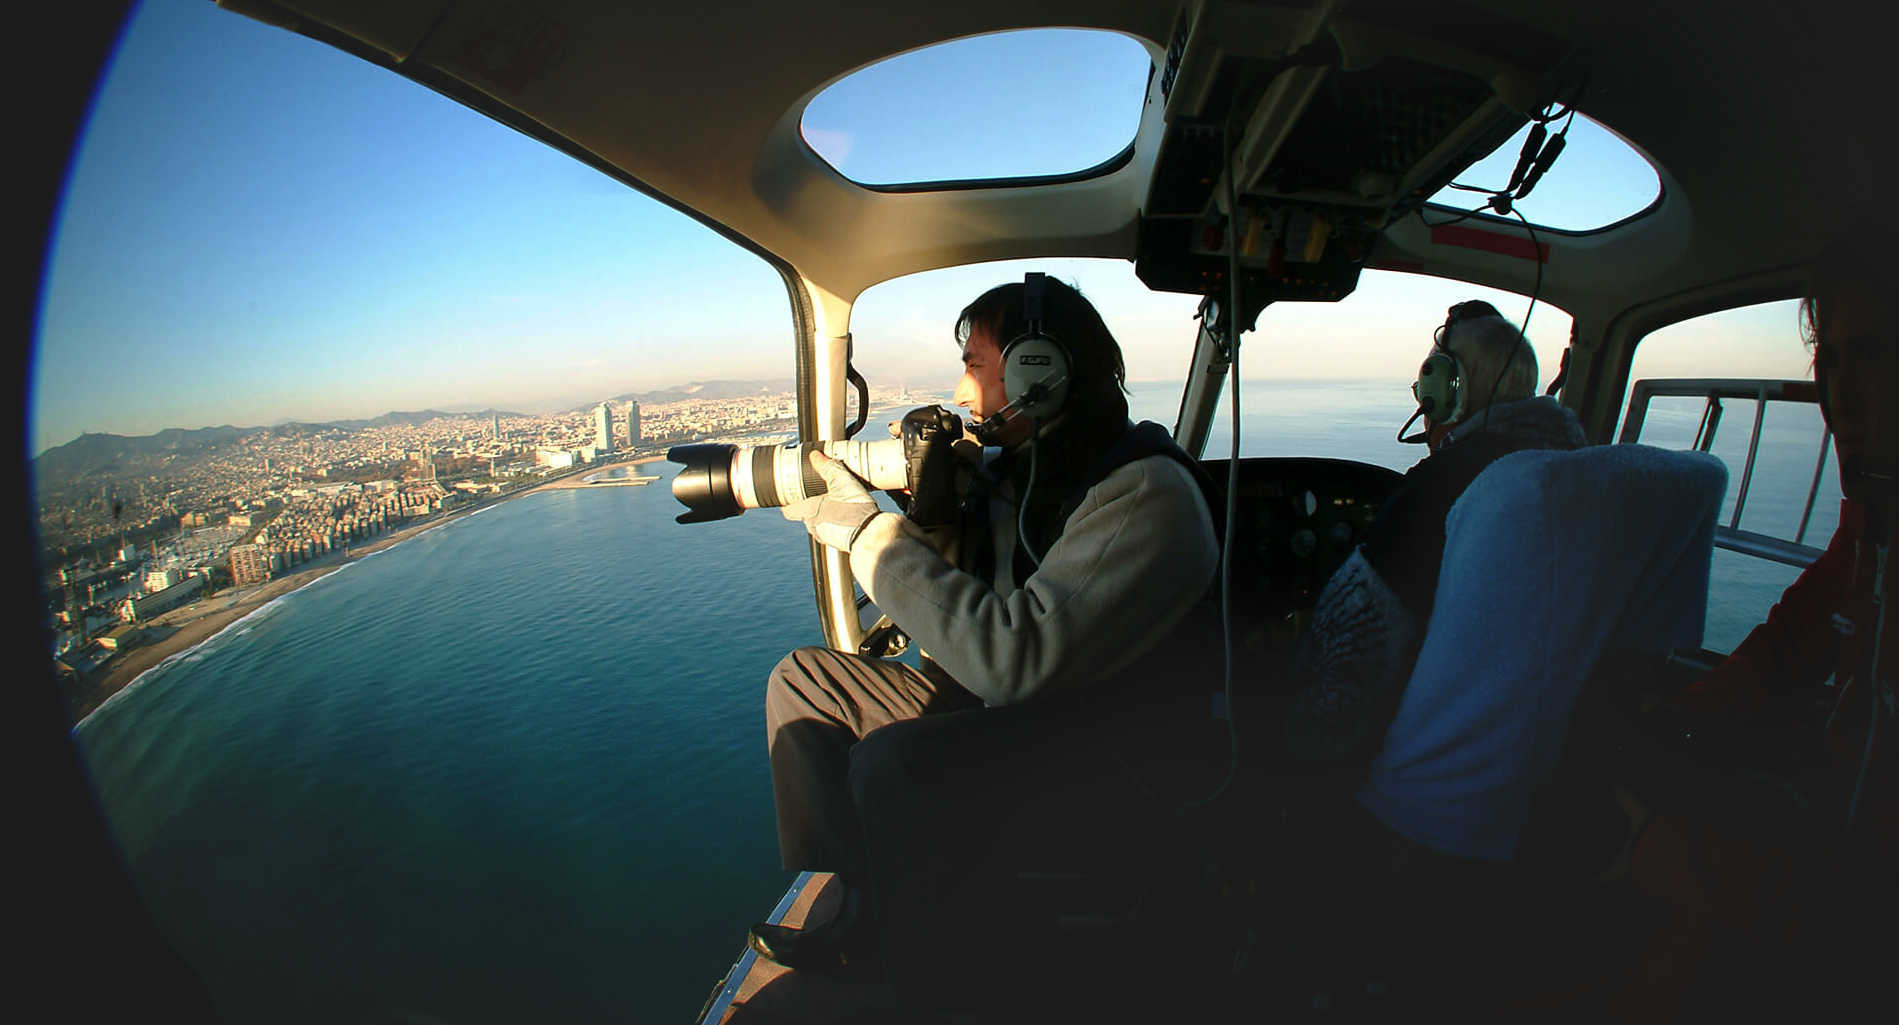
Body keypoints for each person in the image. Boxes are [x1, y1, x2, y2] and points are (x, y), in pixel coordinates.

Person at [748, 276, 1220, 971]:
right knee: (806, 682)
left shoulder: (1141, 493)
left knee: (896, 761)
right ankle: (863, 897)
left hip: (1111, 747)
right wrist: (936, 514)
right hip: (1027, 715)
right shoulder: (1030, 473)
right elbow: (949, 619)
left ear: (1040, 370)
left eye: (974, 366)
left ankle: (931, 967)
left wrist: (868, 533)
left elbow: (1011, 658)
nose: (962, 392)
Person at [1286, 300, 1587, 766]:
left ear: (1446, 390)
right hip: (1535, 753)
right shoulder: (1569, 475)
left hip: (1418, 762)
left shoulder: (1437, 490)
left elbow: (1348, 660)